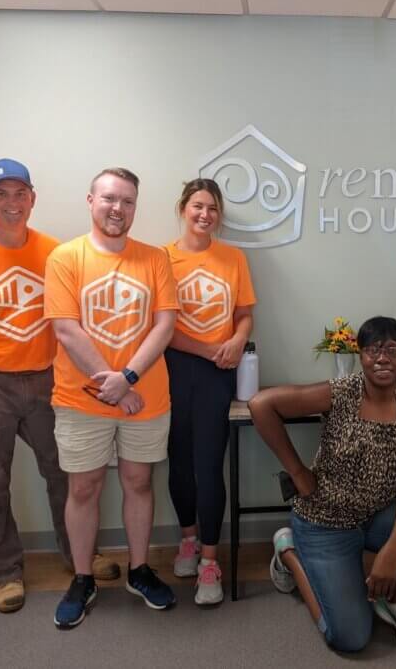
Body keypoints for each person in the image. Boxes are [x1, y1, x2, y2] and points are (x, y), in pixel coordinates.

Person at [0, 158, 119, 614]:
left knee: (67, 470)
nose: (12, 203)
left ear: (32, 197)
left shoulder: (56, 253)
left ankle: (79, 557)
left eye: (20, 194)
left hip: (48, 380)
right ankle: (5, 572)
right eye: (1, 194)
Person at [248, 317, 396, 653]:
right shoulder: (341, 392)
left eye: (392, 350)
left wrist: (392, 552)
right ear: (361, 356)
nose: (382, 358)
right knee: (350, 638)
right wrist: (298, 472)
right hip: (326, 521)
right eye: (373, 350)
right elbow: (261, 405)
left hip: (380, 517)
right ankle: (289, 551)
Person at [45, 168, 179, 629]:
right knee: (83, 489)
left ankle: (139, 571)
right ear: (90, 200)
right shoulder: (65, 258)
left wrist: (128, 377)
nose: (117, 208)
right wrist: (114, 389)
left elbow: (164, 325)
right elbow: (66, 329)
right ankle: (82, 579)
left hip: (146, 396)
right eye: (109, 199)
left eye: (127, 201)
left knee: (139, 482)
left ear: (135, 207)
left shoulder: (156, 258)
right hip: (82, 400)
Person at [164, 179, 256, 605]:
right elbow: (160, 326)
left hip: (220, 374)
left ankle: (210, 562)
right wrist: (207, 349)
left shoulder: (233, 257)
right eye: (198, 206)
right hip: (174, 370)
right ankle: (187, 539)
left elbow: (243, 313)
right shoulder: (161, 258)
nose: (205, 215)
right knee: (179, 461)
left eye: (213, 208)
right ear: (183, 208)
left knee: (209, 464)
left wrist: (237, 340)